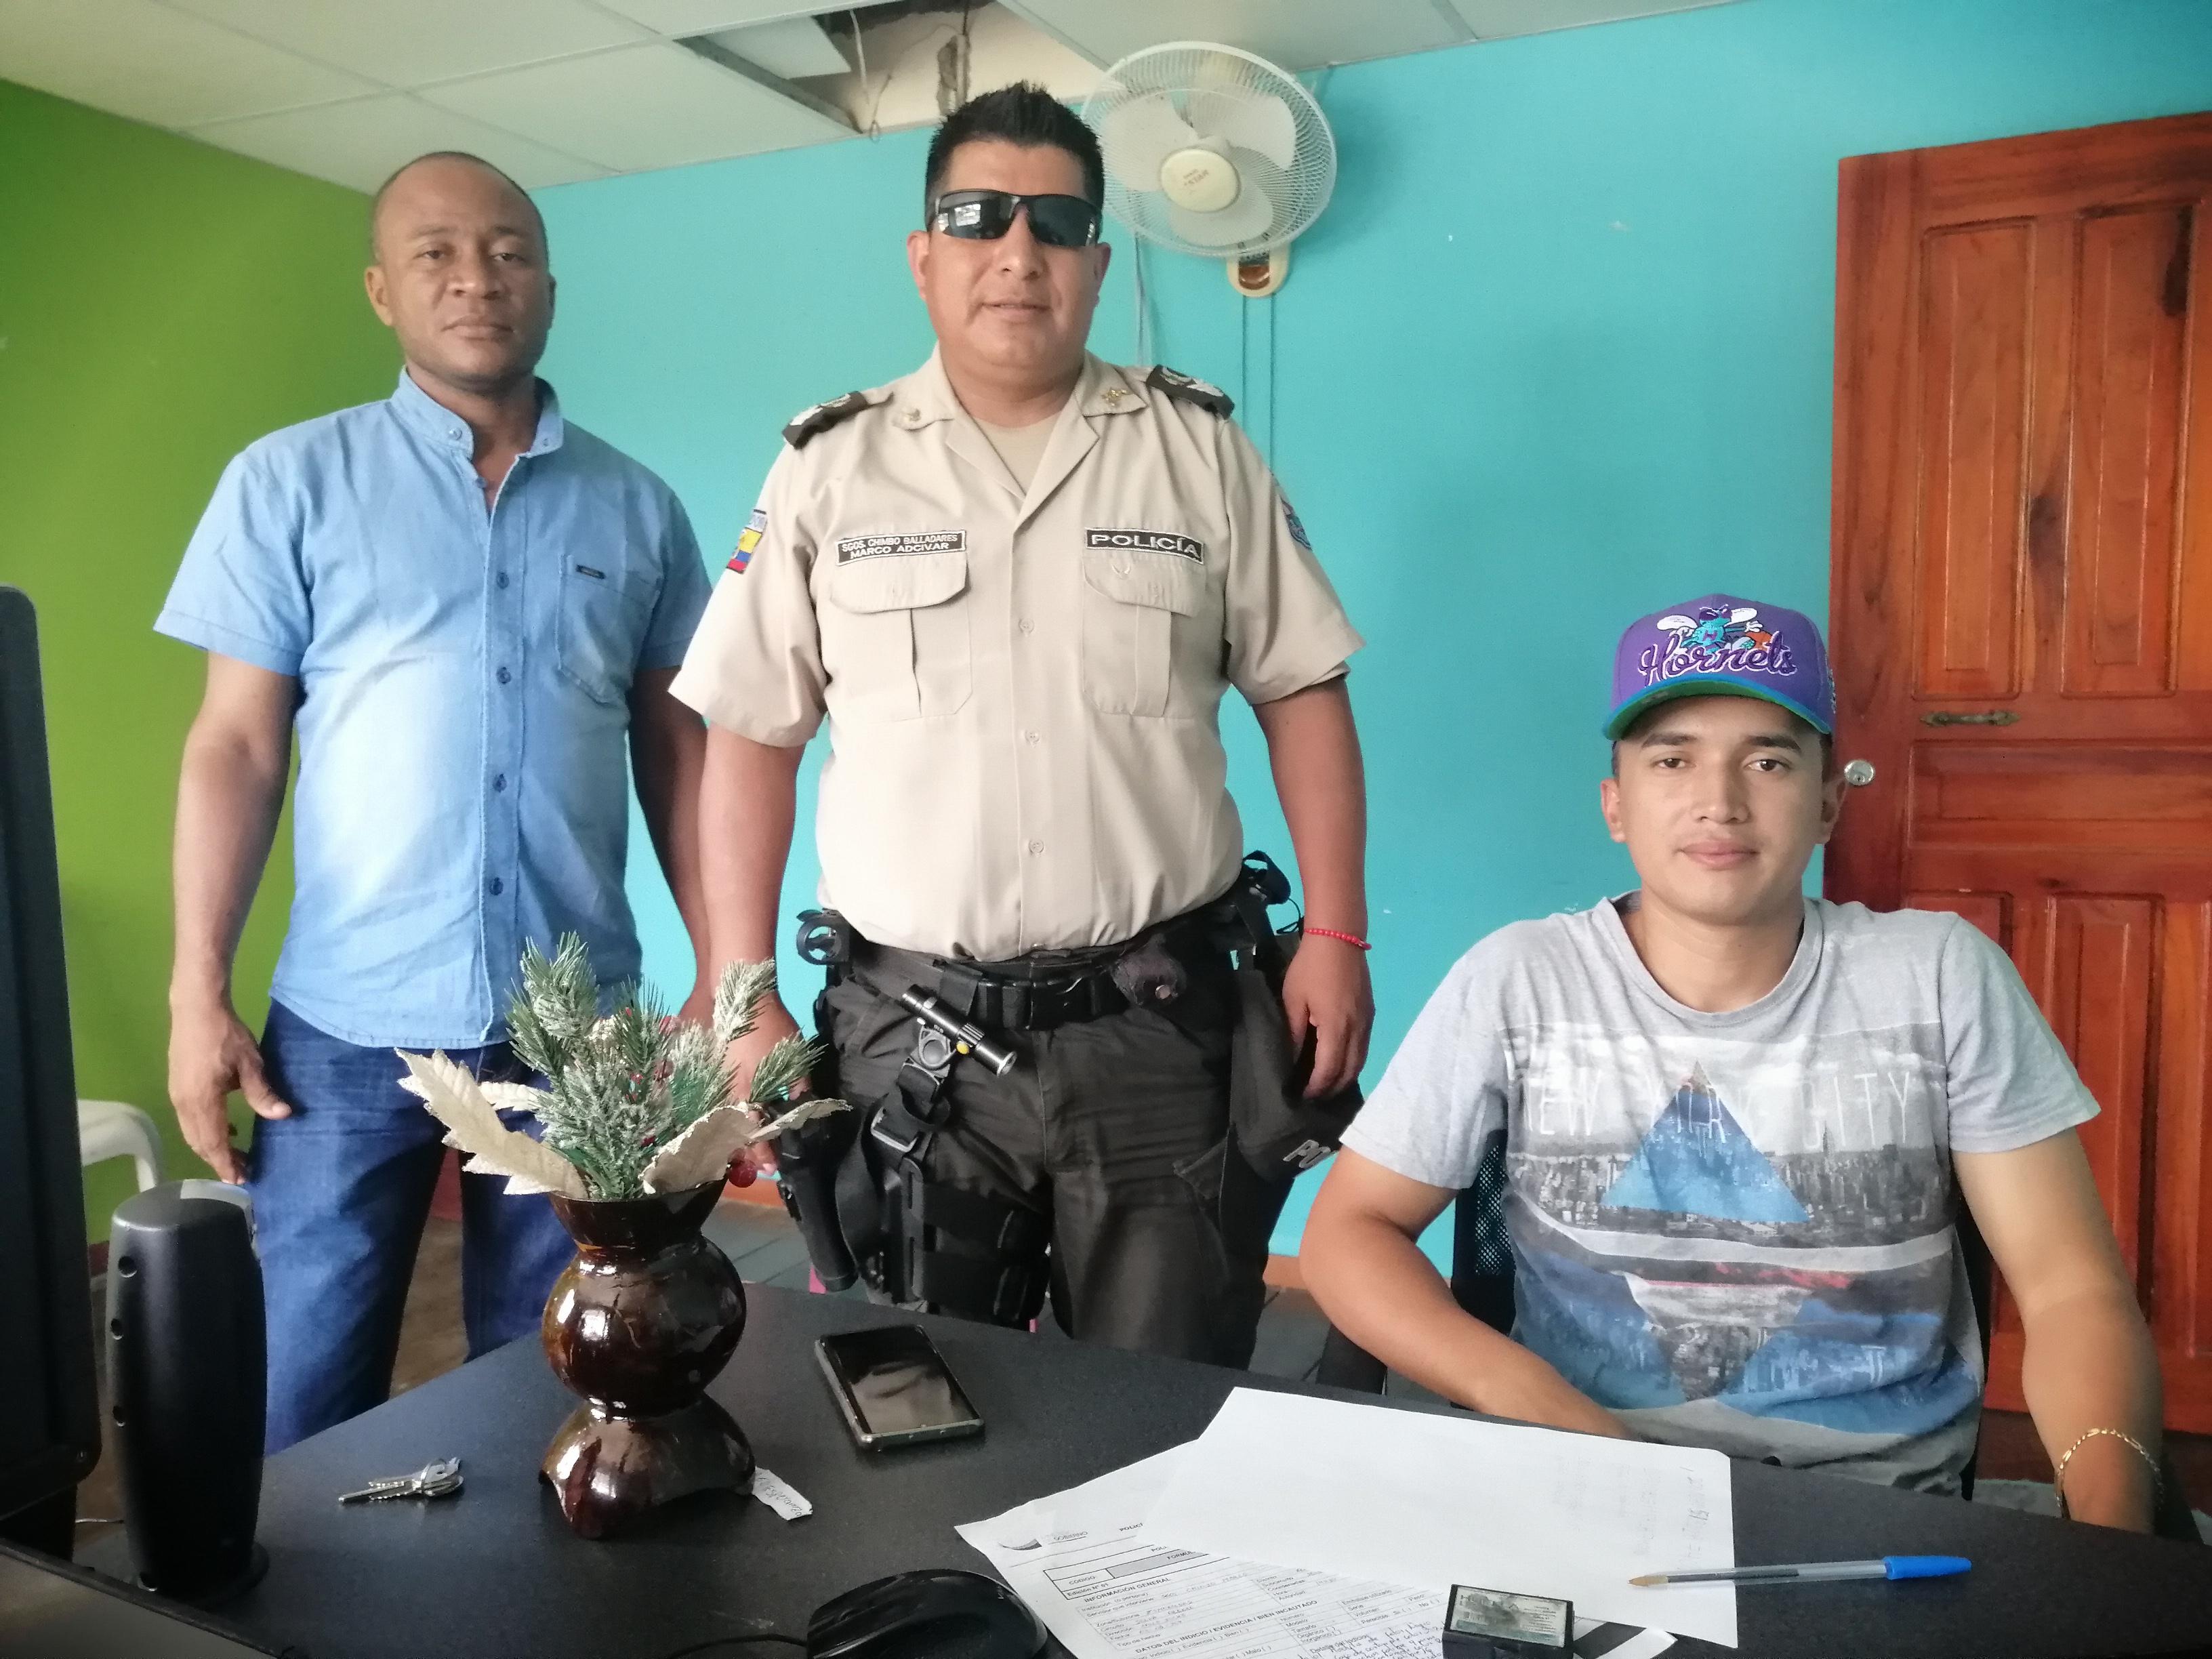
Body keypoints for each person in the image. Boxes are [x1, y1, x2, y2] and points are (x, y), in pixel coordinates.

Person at [674, 84, 1370, 1366]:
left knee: (1164, 1402)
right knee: (915, 1404)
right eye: (977, 216)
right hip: (911, 1040)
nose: (1017, 249)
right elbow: (752, 738)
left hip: (1156, 1035)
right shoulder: (830, 466)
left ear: (1096, 264)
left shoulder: (1198, 452)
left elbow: (1303, 692)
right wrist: (740, 992)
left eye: (1055, 222)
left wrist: (1335, 931)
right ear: (922, 255)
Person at [1302, 594, 2169, 1532]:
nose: (1720, 800)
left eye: (1768, 761)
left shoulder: (1939, 976)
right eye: (1672, 759)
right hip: (1584, 1482)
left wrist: (2113, 1532)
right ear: (1615, 806)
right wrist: (1548, 1412)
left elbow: (2070, 1287)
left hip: (1875, 1509)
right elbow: (1352, 1230)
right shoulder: (1521, 979)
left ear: (1828, 803)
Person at [159, 152, 714, 1452]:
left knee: (560, 1383)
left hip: (574, 1031)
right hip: (346, 1030)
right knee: (304, 1393)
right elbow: (235, 748)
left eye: (510, 252)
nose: (478, 279)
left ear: (550, 287)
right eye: (437, 254)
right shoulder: (288, 483)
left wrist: (716, 977)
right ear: (382, 291)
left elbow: (678, 750)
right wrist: (198, 992)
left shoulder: (637, 507)